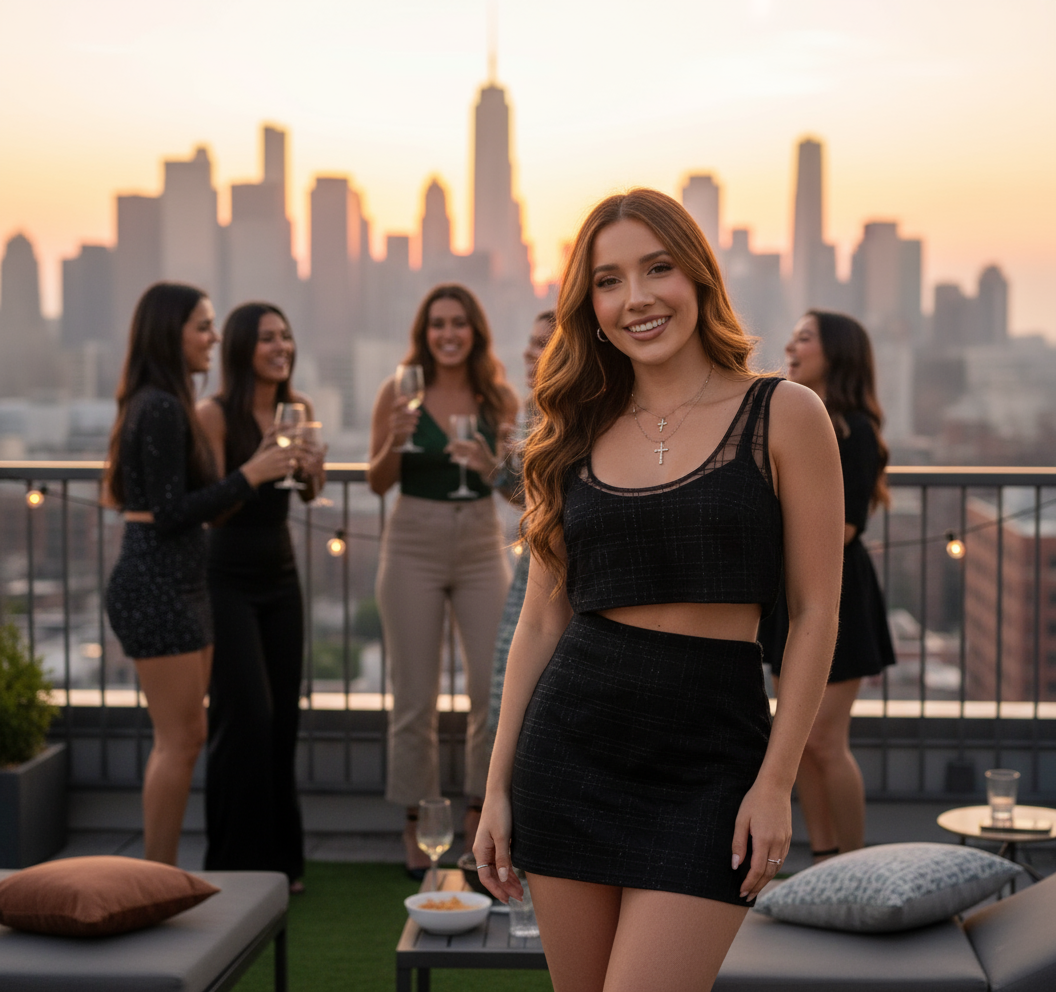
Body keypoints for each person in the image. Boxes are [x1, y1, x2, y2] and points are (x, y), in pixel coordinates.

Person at [474, 189, 844, 992]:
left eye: (657, 269)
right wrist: (496, 788)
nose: (636, 298)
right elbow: (541, 620)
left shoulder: (785, 414)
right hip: (571, 751)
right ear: (591, 307)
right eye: (608, 281)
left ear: (700, 278)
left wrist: (776, 783)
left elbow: (816, 613)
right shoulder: (570, 431)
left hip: (711, 763)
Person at [104, 283, 289, 865]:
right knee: (178, 741)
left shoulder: (163, 401)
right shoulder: (159, 405)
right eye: (202, 327)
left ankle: (161, 875)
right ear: (171, 334)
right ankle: (156, 877)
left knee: (186, 739)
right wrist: (252, 474)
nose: (213, 338)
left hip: (181, 583)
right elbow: (167, 514)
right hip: (156, 586)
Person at [368, 284, 518, 877]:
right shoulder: (398, 391)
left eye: (458, 323)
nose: (448, 334)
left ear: (474, 330)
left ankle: (480, 821)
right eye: (437, 325)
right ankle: (418, 825)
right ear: (424, 332)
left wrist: (490, 467)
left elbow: (514, 490)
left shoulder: (497, 395)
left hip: (482, 543)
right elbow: (379, 481)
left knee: (491, 691)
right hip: (413, 544)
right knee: (415, 699)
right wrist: (395, 444)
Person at [198, 302, 325, 892]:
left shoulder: (296, 411)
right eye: (269, 337)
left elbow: (302, 495)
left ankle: (282, 863)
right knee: (243, 718)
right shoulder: (214, 416)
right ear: (243, 348)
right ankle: (230, 863)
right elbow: (212, 510)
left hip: (281, 575)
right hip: (226, 579)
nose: (282, 346)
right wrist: (256, 466)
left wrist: (313, 472)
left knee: (281, 723)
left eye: (287, 335)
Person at [760, 309, 896, 862]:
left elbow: (841, 529)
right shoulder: (786, 417)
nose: (791, 346)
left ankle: (853, 865)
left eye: (806, 338)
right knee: (799, 747)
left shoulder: (855, 431)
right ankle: (823, 862)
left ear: (835, 353)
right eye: (791, 335)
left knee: (823, 741)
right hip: (787, 599)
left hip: (838, 598)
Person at [486, 310, 557, 745]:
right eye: (530, 342)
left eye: (542, 344)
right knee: (506, 692)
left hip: (566, 576)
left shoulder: (591, 413)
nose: (530, 353)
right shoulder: (530, 412)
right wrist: (496, 467)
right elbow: (531, 501)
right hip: (531, 569)